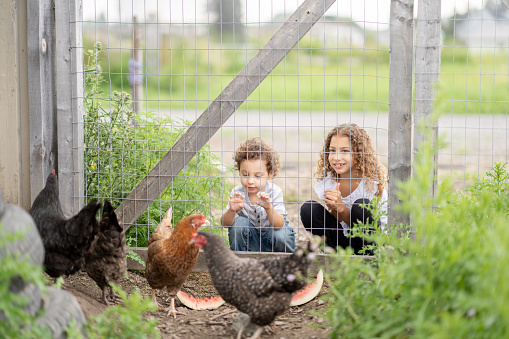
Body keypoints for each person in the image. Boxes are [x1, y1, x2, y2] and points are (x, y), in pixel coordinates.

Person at [300, 123, 388, 254]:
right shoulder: (328, 179)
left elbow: (369, 225)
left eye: (345, 151)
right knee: (308, 209)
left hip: (370, 242)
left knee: (361, 206)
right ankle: (335, 257)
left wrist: (341, 207)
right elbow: (337, 222)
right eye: (332, 150)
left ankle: (366, 261)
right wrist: (334, 208)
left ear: (359, 153)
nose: (336, 157)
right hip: (343, 241)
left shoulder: (372, 183)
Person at [221, 137, 296, 252]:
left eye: (257, 176)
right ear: (239, 172)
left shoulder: (274, 191)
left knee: (283, 234)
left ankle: (288, 264)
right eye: (245, 175)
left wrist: (269, 208)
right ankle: (240, 262)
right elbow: (225, 224)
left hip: (273, 241)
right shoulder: (238, 193)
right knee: (238, 224)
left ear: (270, 174)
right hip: (251, 243)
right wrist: (232, 210)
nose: (250, 181)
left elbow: (279, 225)